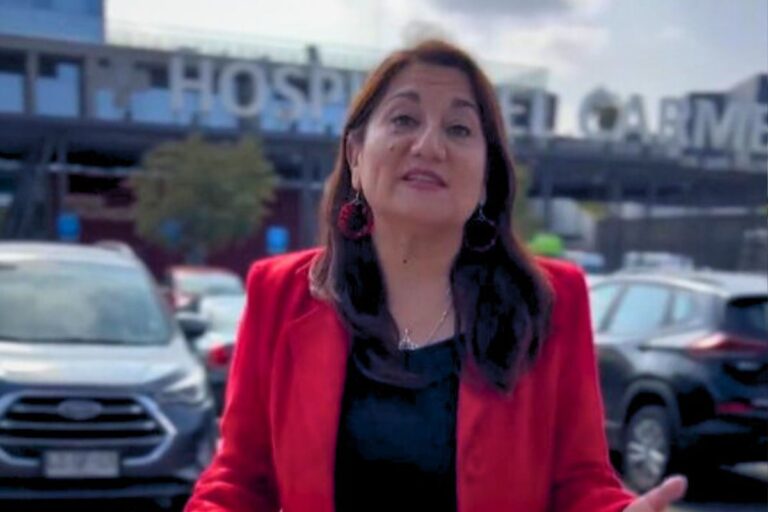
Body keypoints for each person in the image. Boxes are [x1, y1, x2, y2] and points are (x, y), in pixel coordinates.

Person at [185, 39, 687, 512]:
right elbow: (238, 480)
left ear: (487, 175)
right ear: (355, 155)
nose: (428, 145)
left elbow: (580, 481)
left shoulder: (550, 300)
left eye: (459, 129)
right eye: (404, 119)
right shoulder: (280, 293)